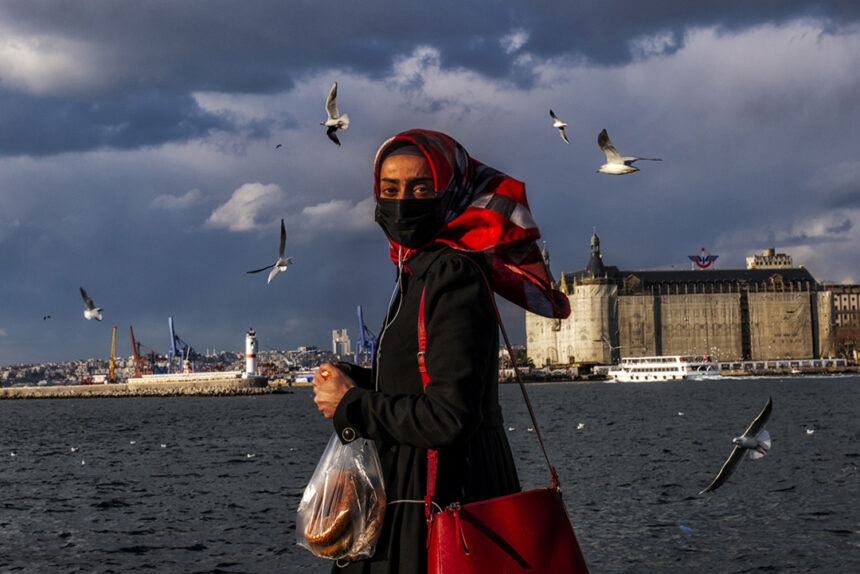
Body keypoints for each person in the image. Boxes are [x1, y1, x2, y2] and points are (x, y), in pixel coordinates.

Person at [311, 129, 570, 573]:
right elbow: (424, 378)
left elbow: (451, 416)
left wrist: (352, 405)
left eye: (420, 188)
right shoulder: (419, 270)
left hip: (438, 501)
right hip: (424, 491)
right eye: (389, 190)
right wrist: (356, 379)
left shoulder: (450, 273)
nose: (402, 202)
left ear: (449, 193)